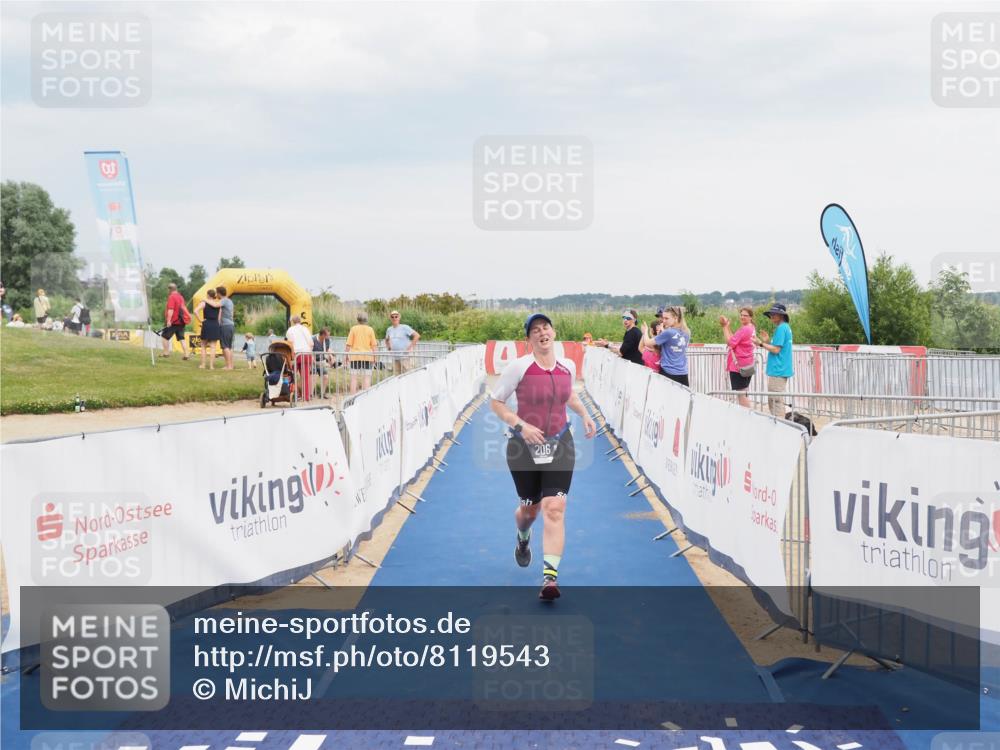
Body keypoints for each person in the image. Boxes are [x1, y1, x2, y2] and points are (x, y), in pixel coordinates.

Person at [490, 313, 597, 601]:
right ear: (529, 340)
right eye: (535, 330)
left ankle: (550, 578)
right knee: (529, 511)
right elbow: (496, 402)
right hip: (522, 447)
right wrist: (520, 426)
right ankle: (523, 538)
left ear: (553, 331)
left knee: (554, 507)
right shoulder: (518, 368)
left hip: (561, 442)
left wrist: (585, 414)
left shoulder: (568, 366)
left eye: (545, 327)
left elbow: (569, 395)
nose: (542, 333)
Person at [753, 303, 794, 418]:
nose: (771, 316)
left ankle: (780, 425)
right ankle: (779, 424)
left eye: (774, 314)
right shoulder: (785, 327)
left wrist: (761, 343)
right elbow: (778, 348)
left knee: (775, 401)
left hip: (778, 369)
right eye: (771, 314)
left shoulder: (781, 328)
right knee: (774, 399)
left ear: (781, 315)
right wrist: (767, 341)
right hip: (780, 369)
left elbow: (776, 350)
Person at [720, 306, 756, 408]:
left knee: (741, 395)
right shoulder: (751, 328)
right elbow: (734, 339)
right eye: (741, 315)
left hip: (738, 366)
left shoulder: (745, 329)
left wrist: (724, 326)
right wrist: (727, 326)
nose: (742, 317)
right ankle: (747, 414)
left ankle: (747, 415)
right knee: (743, 392)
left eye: (745, 315)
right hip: (747, 365)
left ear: (750, 317)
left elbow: (730, 342)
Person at [654, 306, 691, 386]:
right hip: (682, 373)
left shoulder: (669, 332)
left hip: (668, 371)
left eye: (666, 318)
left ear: (675, 318)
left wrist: (645, 332)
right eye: (662, 318)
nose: (663, 321)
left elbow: (649, 343)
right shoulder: (687, 332)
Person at [346, 312, 378, 394]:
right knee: (367, 378)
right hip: (367, 356)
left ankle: (352, 398)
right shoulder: (370, 329)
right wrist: (375, 357)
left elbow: (348, 344)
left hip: (355, 356)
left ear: (357, 319)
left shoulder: (353, 329)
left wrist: (346, 355)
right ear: (366, 320)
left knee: (353, 378)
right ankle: (365, 397)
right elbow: (374, 345)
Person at [285, 314, 314, 401]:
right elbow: (311, 343)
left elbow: (290, 344)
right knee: (305, 377)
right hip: (306, 353)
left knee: (292, 375)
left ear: (292, 322)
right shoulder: (305, 329)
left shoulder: (290, 330)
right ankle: (306, 396)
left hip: (296, 354)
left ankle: (294, 394)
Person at [194, 288, 223, 370]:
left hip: (206, 323)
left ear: (207, 295)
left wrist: (200, 320)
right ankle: (211, 366)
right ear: (214, 296)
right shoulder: (218, 304)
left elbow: (195, 311)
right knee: (213, 347)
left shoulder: (204, 303)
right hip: (215, 324)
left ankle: (203, 365)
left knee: (203, 346)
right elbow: (219, 318)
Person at [160, 283, 191, 359]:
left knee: (164, 337)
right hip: (181, 321)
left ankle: (166, 353)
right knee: (181, 338)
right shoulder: (181, 297)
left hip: (173, 321)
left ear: (169, 289)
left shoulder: (172, 297)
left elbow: (171, 309)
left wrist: (168, 320)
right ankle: (186, 354)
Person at [384, 310, 420, 375]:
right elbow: (386, 339)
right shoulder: (389, 329)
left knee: (407, 375)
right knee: (396, 376)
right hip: (395, 357)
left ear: (399, 317)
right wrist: (388, 347)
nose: (394, 318)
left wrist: (410, 347)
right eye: (392, 317)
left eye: (396, 316)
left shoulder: (405, 327)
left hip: (405, 356)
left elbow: (417, 336)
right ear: (390, 318)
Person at [216, 286, 236, 370]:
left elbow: (216, 305)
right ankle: (230, 365)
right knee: (229, 346)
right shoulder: (230, 301)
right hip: (231, 325)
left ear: (219, 293)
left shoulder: (223, 300)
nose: (216, 294)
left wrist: (206, 300)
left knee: (225, 346)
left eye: (216, 293)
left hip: (225, 326)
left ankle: (229, 366)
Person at [312, 327, 334, 394]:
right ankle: (310, 394)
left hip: (321, 362)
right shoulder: (313, 339)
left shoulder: (327, 340)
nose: (328, 337)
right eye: (327, 335)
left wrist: (331, 356)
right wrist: (313, 361)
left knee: (325, 376)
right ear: (322, 335)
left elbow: (327, 349)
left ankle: (322, 393)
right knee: (314, 375)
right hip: (313, 362)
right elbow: (310, 351)